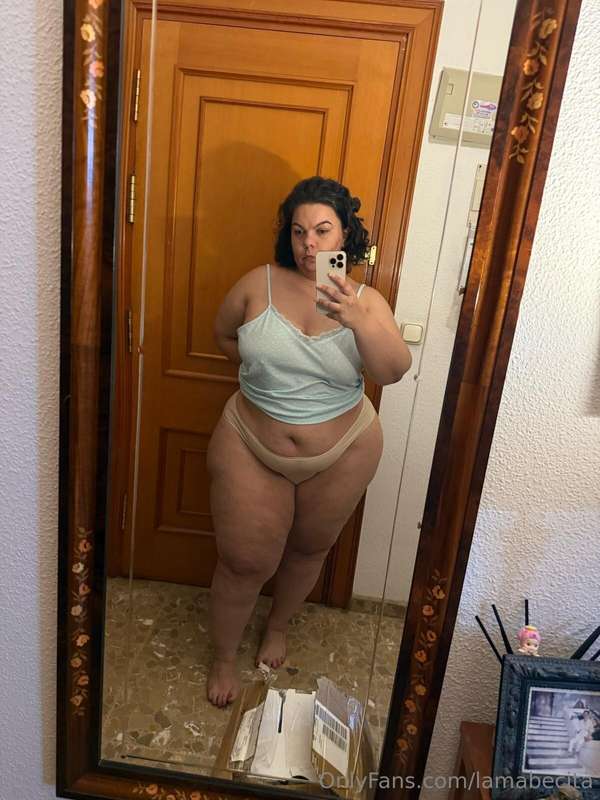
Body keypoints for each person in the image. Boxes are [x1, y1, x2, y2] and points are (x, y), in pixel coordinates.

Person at [205, 176, 412, 707]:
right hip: (250, 442)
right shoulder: (258, 283)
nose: (309, 244)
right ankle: (223, 657)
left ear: (345, 235)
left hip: (344, 450)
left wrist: (357, 320)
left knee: (309, 548)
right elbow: (223, 334)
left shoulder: (365, 300)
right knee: (243, 561)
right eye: (298, 232)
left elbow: (391, 371)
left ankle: (277, 626)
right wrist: (264, 373)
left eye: (322, 230)